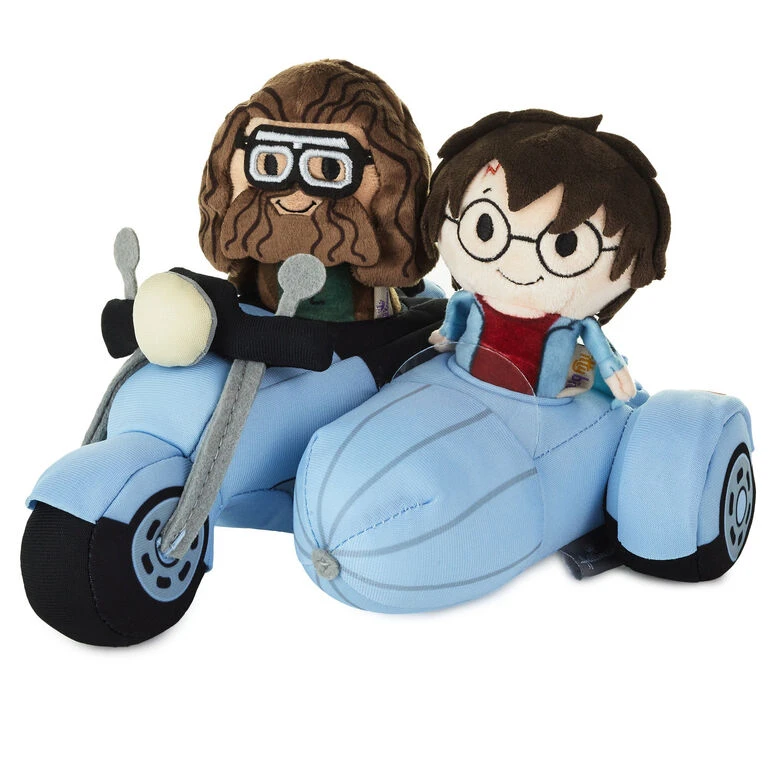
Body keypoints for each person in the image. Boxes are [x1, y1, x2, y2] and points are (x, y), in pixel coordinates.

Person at [422, 110, 670, 398]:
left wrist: (615, 375)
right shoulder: (471, 300)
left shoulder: (575, 324)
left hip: (539, 404)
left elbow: (604, 356)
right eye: (485, 227)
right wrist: (446, 336)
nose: (519, 264)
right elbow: (455, 317)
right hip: (462, 386)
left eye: (567, 244)